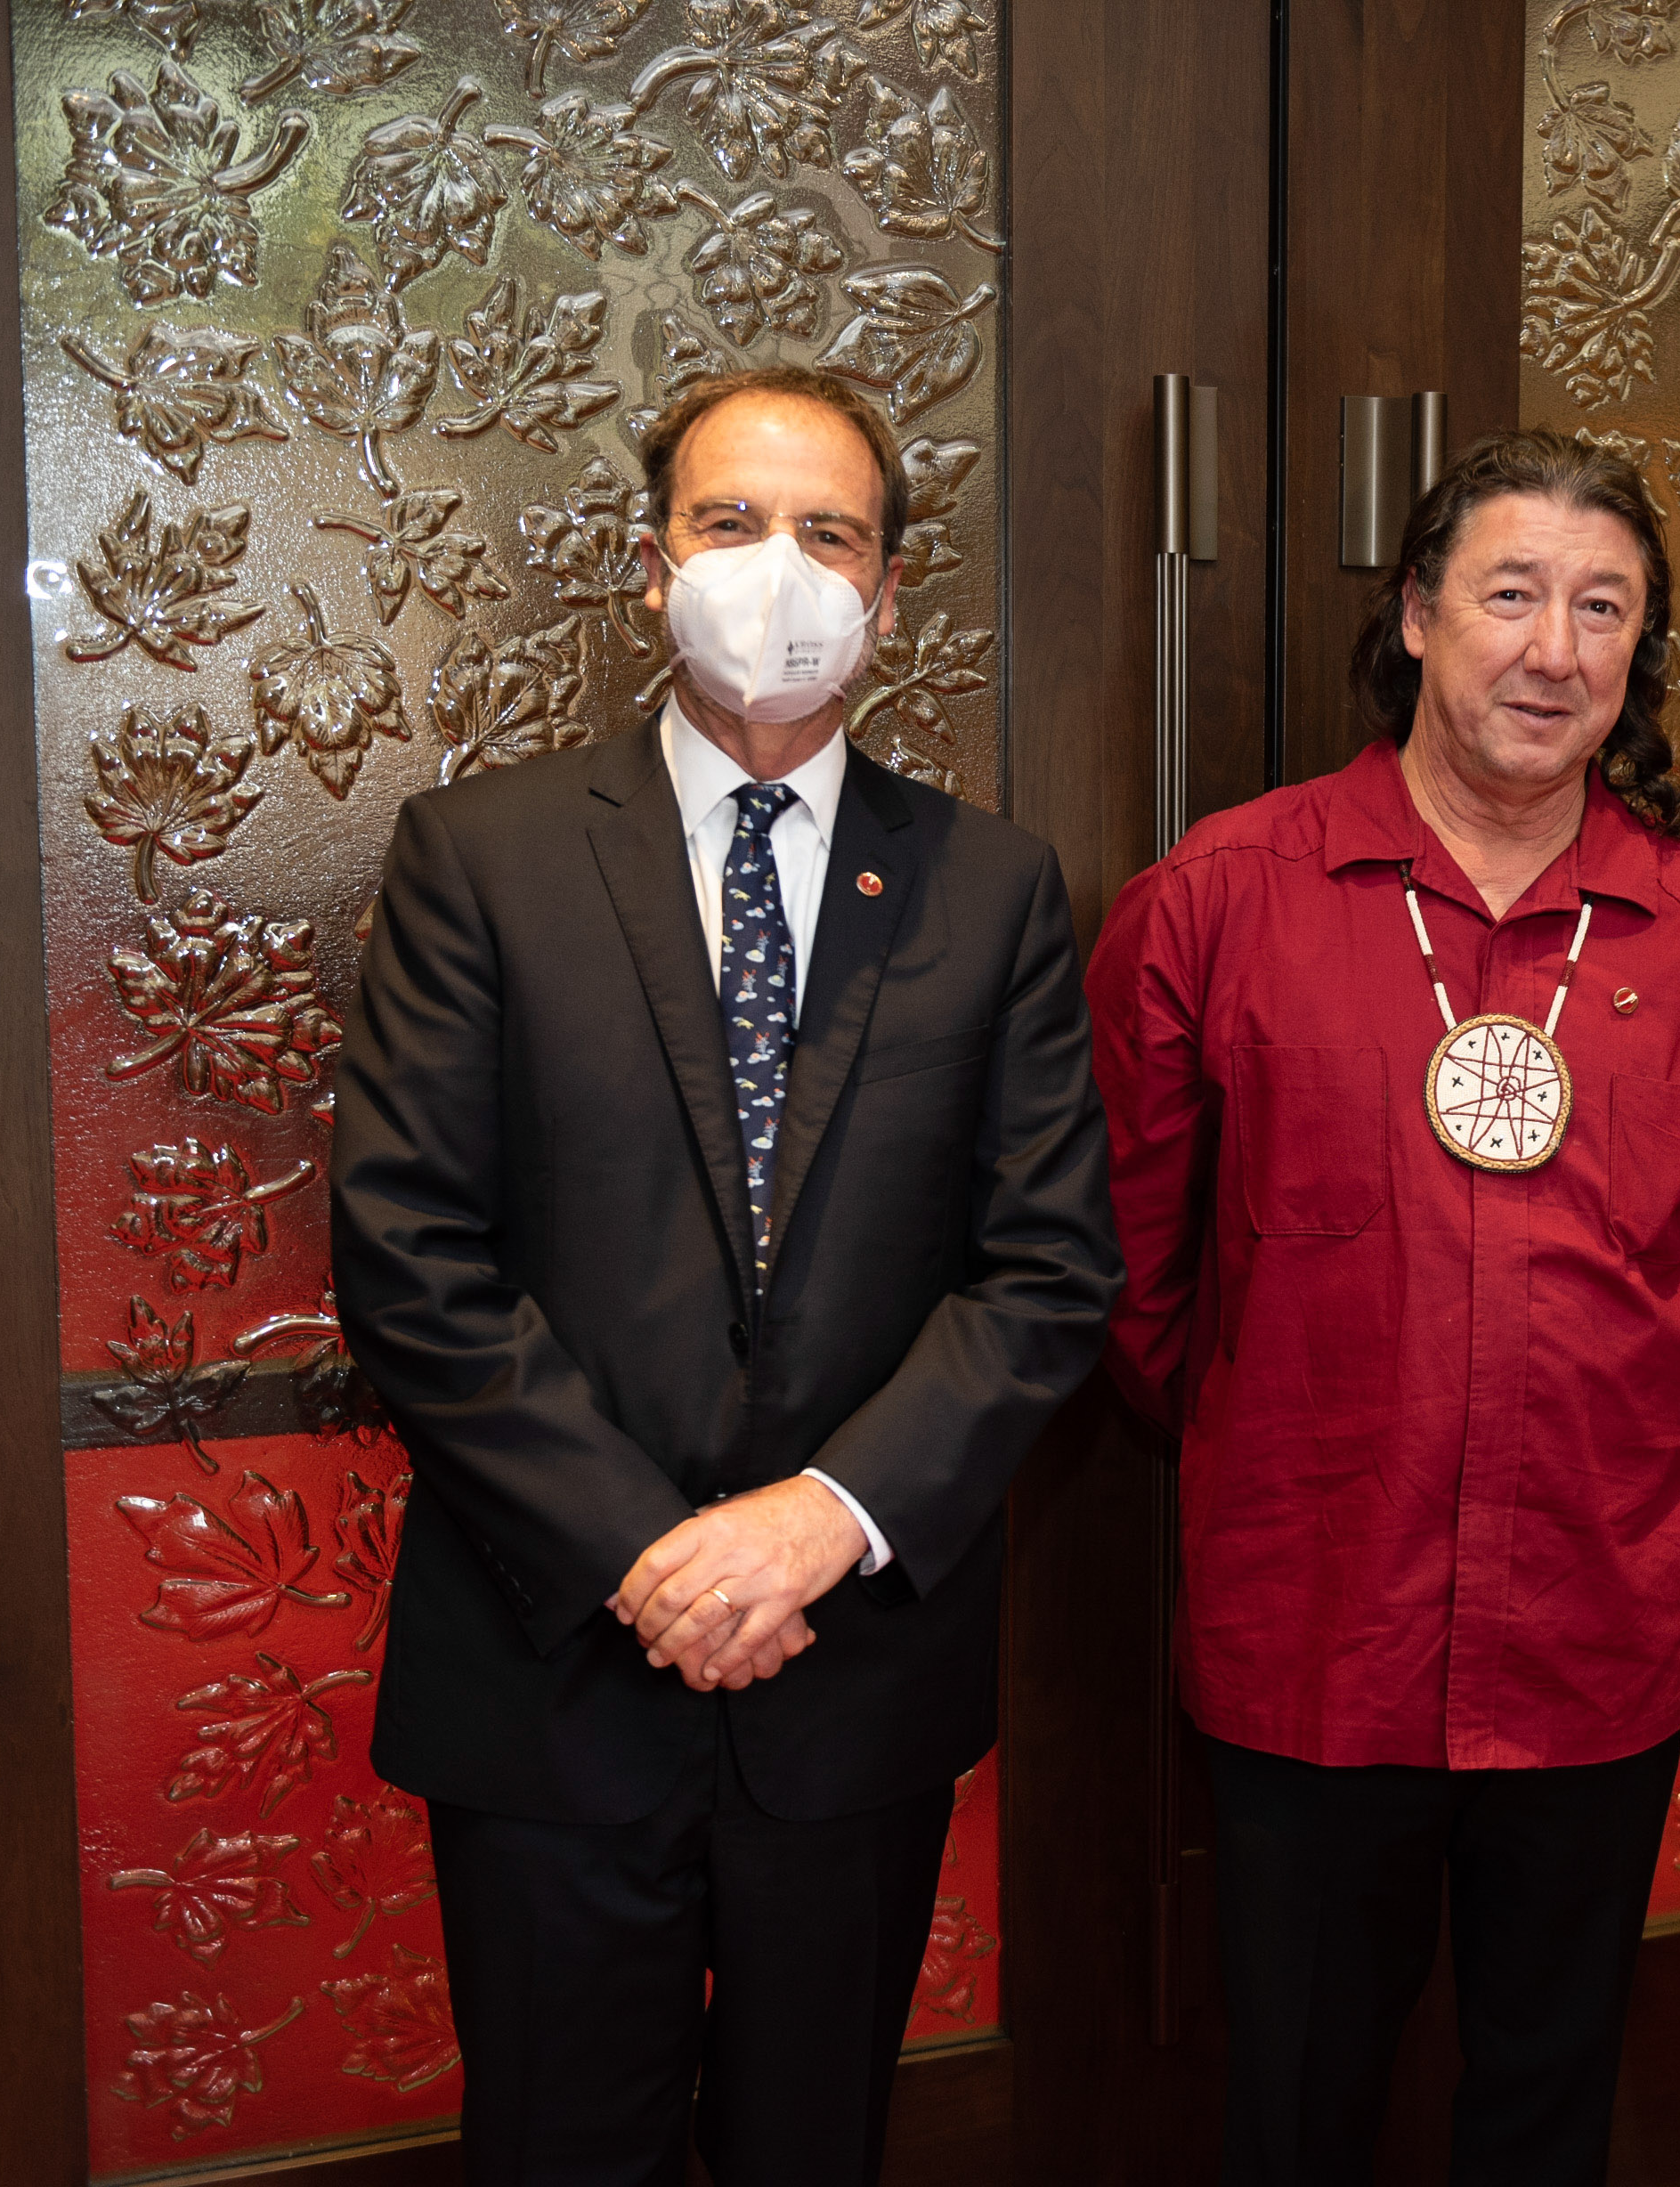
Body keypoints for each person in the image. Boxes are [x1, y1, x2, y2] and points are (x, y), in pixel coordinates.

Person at [329, 364, 1118, 2187]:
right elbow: (409, 1252)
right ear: (649, 560)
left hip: (846, 1680)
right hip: (548, 1671)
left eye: (829, 533)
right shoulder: (486, 856)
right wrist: (648, 1553)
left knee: (811, 2148)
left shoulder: (990, 889)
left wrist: (815, 1523)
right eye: (729, 522)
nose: (777, 569)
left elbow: (1046, 1269)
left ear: (892, 591)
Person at [1088, 430, 1680, 2187]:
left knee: (1547, 2104)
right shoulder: (1213, 901)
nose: (1552, 649)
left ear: (1638, 652)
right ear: (1415, 616)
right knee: (1299, 2105)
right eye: (1508, 594)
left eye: (1601, 608)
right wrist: (1301, 1428)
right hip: (1313, 1630)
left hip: (1590, 1640)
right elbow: (1130, 1280)